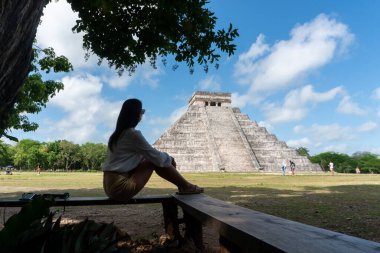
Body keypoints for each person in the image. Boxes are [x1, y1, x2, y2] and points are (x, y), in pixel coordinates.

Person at [101, 99, 204, 202]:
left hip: (110, 185)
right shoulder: (132, 134)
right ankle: (185, 186)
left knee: (153, 159)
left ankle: (185, 186)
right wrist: (170, 158)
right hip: (120, 188)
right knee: (154, 160)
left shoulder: (117, 135)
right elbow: (156, 157)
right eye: (141, 112)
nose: (141, 115)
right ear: (136, 114)